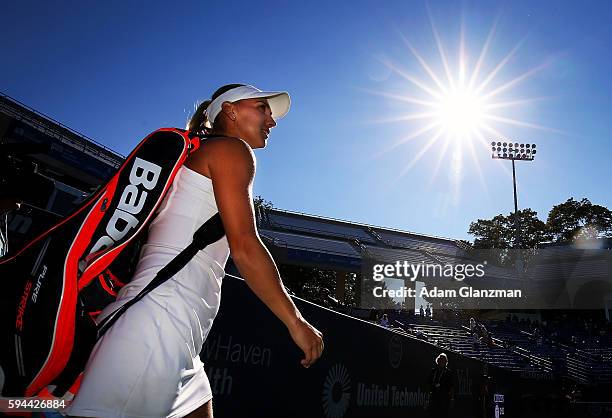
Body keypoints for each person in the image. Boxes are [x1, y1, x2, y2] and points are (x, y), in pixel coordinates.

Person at [65, 84, 324, 418]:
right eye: (262, 107)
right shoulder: (232, 151)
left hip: (176, 333)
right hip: (157, 329)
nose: (271, 120)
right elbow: (245, 248)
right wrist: (296, 321)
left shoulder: (199, 154)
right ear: (229, 110)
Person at [427, 353, 455, 418]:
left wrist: (452, 399)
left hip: (444, 399)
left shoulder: (448, 373)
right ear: (437, 361)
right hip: (434, 397)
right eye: (440, 360)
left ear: (446, 362)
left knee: (442, 414)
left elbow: (451, 386)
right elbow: (428, 383)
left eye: (443, 360)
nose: (441, 361)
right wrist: (427, 396)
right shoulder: (433, 371)